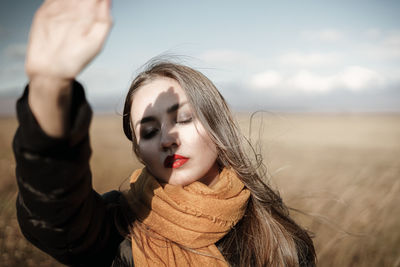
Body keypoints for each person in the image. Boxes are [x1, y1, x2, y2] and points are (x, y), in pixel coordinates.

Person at [13, 0, 316, 266]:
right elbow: (56, 217)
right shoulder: (119, 227)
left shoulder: (281, 240)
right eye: (148, 131)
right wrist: (49, 86)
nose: (167, 139)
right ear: (138, 151)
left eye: (183, 118)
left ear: (216, 122)